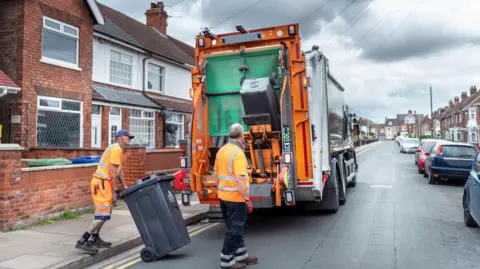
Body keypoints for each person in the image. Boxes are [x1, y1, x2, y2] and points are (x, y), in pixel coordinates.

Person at [75, 130, 134, 254]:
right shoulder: (117, 150)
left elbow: (118, 171)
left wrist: (124, 185)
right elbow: (112, 173)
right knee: (103, 214)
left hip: (103, 183)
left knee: (105, 213)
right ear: (120, 137)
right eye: (127, 137)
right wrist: (115, 191)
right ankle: (82, 241)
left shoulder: (118, 150)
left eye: (130, 137)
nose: (129, 139)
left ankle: (94, 239)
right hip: (102, 183)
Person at [213, 123, 258, 269]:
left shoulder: (222, 150)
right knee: (235, 230)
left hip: (224, 197)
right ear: (241, 136)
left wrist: (218, 191)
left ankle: (241, 255)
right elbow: (239, 181)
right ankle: (226, 260)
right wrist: (247, 199)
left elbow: (215, 176)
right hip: (235, 198)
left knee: (234, 228)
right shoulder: (238, 153)